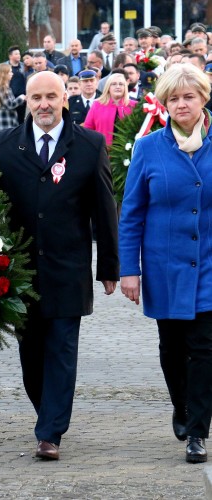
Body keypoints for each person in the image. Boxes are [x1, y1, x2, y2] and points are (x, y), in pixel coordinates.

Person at [0, 71, 118, 460]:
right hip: (20, 272)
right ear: (25, 101)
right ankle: (47, 412)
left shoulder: (90, 145)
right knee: (32, 355)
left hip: (68, 268)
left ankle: (50, 432)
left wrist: (110, 266)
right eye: (35, 98)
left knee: (62, 349)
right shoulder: (4, 144)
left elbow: (104, 209)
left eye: (51, 96)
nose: (43, 104)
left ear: (65, 97)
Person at [119, 64, 212, 464]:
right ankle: (182, 406)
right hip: (164, 264)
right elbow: (132, 213)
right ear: (164, 103)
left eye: (188, 96)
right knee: (172, 347)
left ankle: (197, 431)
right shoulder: (149, 147)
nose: (181, 104)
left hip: (208, 263)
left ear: (204, 98)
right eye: (173, 98)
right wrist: (129, 269)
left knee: (205, 347)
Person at [84, 72, 136, 146]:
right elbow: (88, 129)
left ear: (125, 87)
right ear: (108, 87)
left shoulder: (134, 105)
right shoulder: (97, 105)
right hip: (102, 150)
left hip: (127, 150)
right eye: (114, 84)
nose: (118, 87)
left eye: (121, 84)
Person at [0, 63, 26, 131]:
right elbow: (10, 105)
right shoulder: (2, 88)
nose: (12, 74)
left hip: (8, 121)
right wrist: (21, 97)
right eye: (10, 72)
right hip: (6, 122)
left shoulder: (5, 87)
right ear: (4, 74)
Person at [6, 45, 27, 124]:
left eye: (19, 53)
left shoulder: (23, 66)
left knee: (22, 122)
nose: (19, 55)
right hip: (11, 100)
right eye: (16, 54)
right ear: (10, 56)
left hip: (23, 100)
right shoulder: (5, 67)